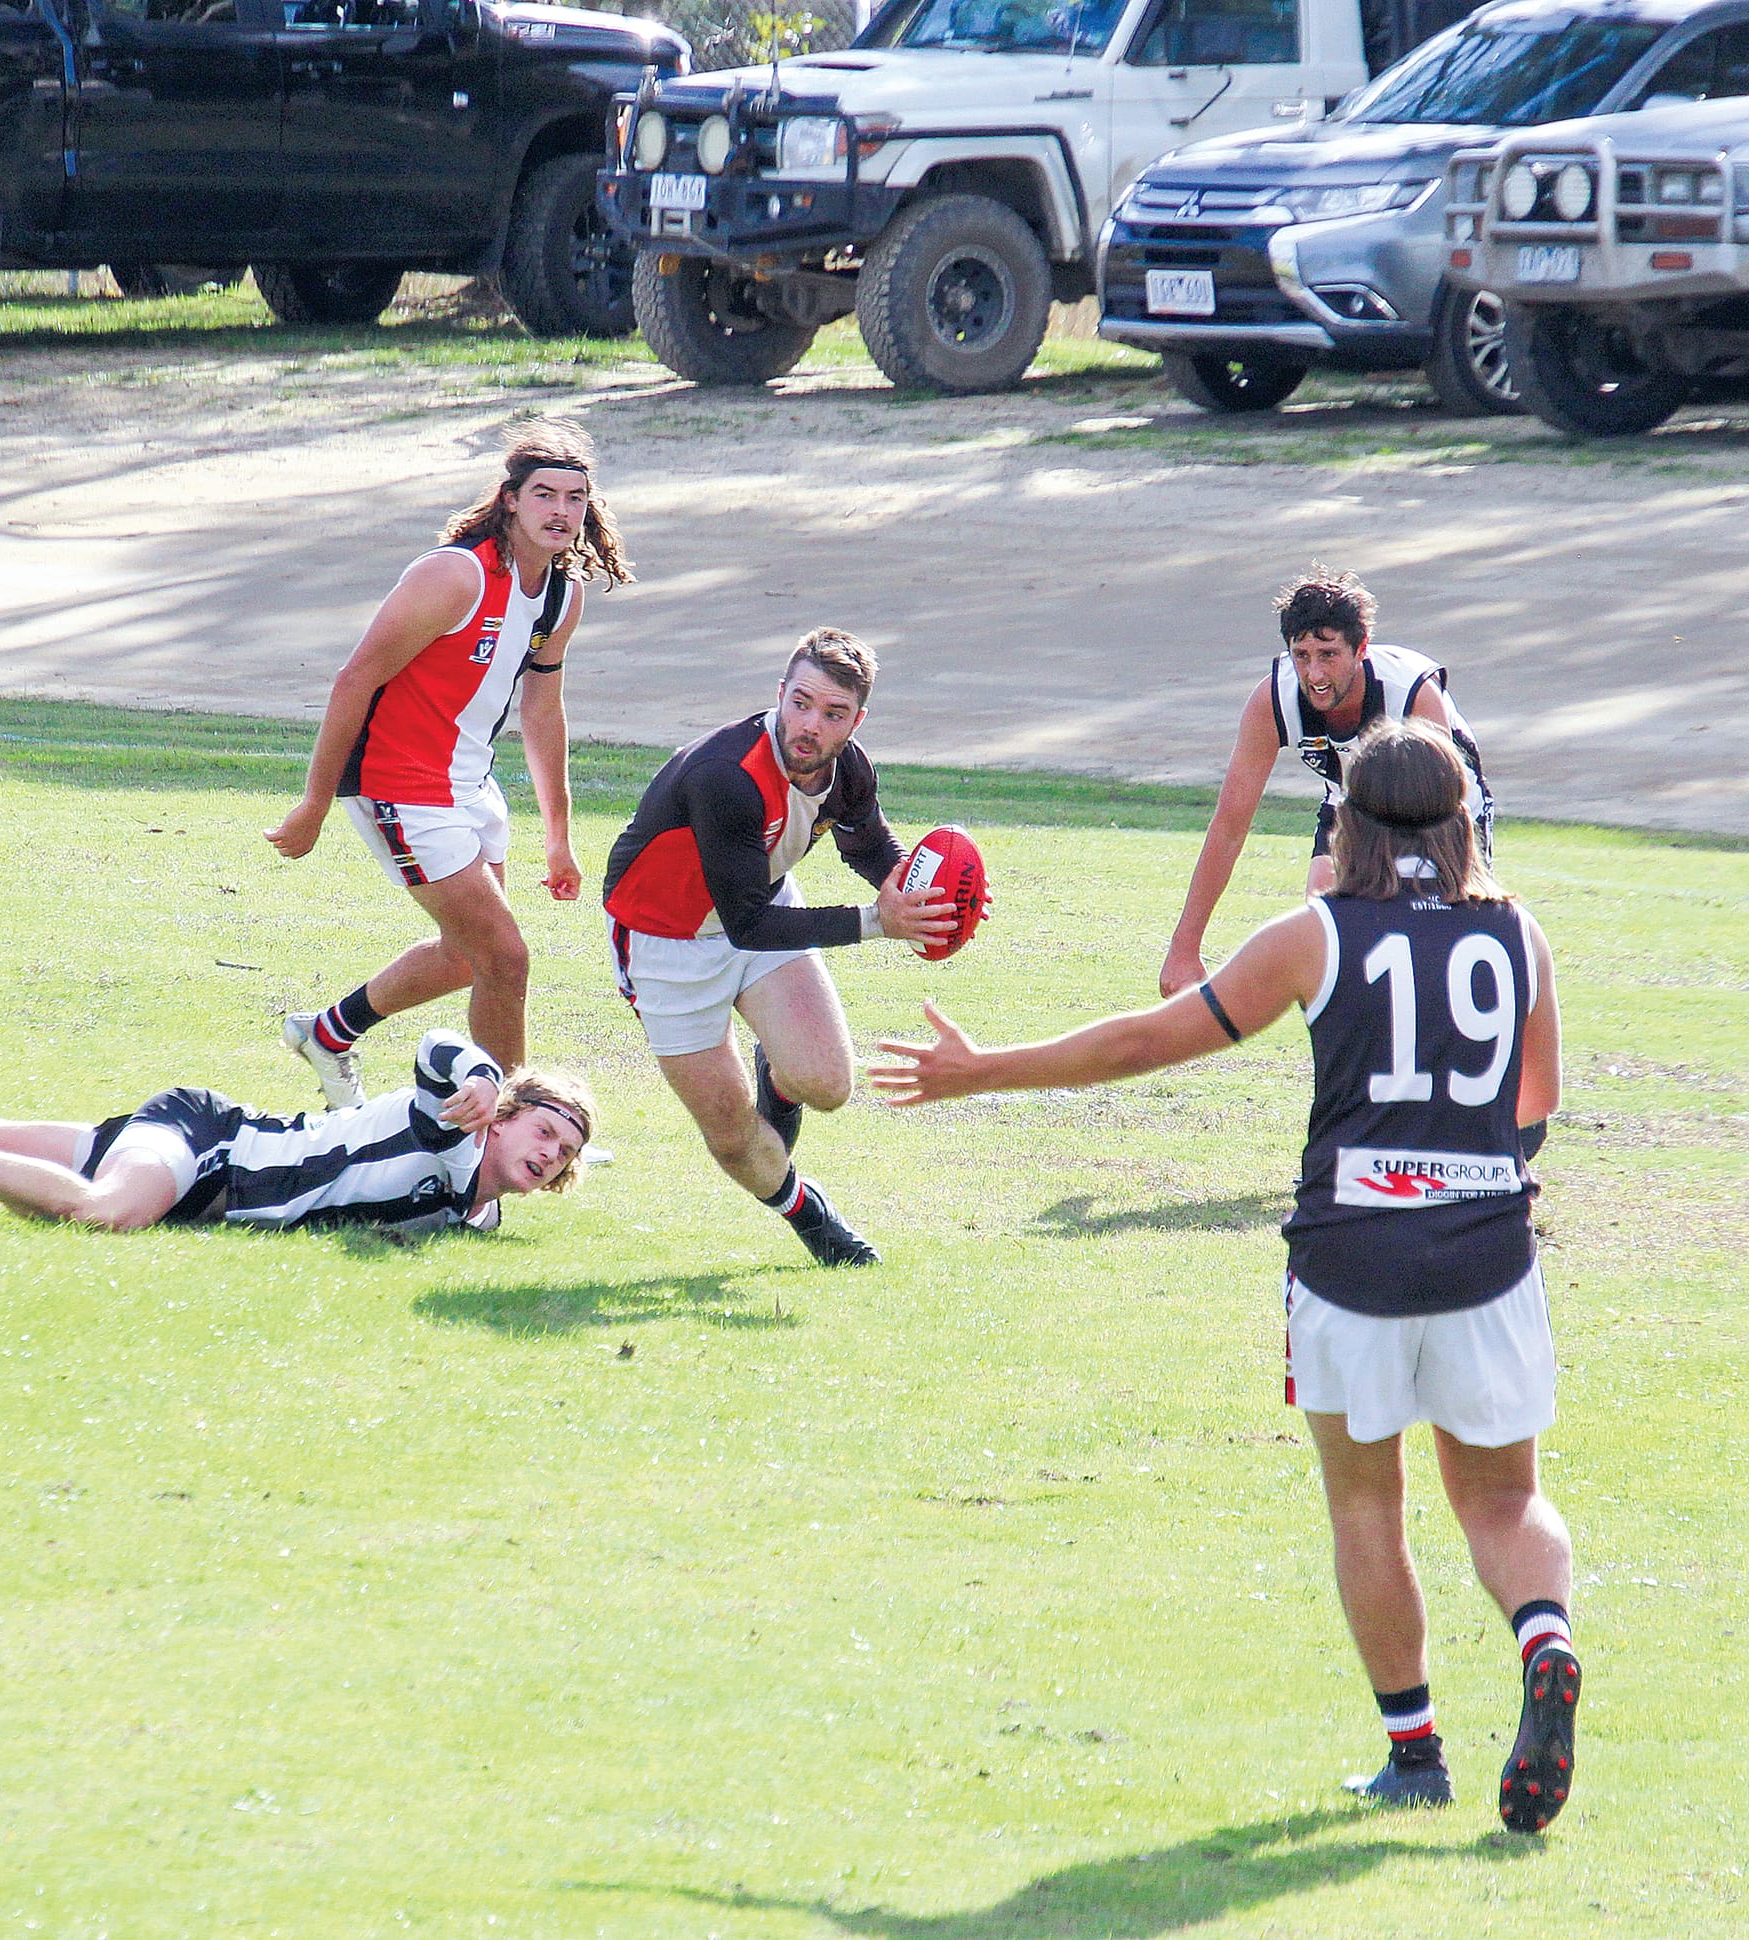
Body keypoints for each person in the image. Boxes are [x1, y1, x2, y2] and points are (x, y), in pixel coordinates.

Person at [873, 719, 1578, 1831]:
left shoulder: (1313, 935)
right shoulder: (1518, 934)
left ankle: (1414, 1753)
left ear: (1347, 823)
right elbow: (1536, 1101)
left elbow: (1142, 1044)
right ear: (1461, 822)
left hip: (1349, 1254)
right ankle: (1542, 1639)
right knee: (1501, 1498)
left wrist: (983, 1070)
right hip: (1488, 1252)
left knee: (1366, 1500)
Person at [266, 417, 633, 1104]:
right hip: (398, 784)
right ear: (511, 501)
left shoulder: (562, 593)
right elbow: (355, 679)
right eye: (545, 494)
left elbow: (542, 712)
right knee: (505, 957)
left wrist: (559, 838)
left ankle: (327, 1034)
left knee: (468, 957)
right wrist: (314, 803)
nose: (561, 510)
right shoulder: (455, 574)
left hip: (470, 784)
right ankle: (510, 1121)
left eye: (576, 497)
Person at [601, 627, 955, 1267]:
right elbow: (748, 925)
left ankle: (778, 1073)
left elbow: (868, 843)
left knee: (828, 1085)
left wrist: (922, 891)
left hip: (759, 903)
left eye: (834, 713)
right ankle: (811, 1217)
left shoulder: (848, 767)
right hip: (667, 941)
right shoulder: (725, 776)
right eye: (801, 703)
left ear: (857, 721)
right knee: (736, 1141)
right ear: (780, 693)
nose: (811, 726)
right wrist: (878, 922)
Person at [0, 1013, 591, 1238]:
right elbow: (439, 1044)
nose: (550, 1153)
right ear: (505, 1120)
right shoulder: (453, 1124)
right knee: (105, 1213)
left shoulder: (479, 1217)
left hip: (204, 1182)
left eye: (565, 1153)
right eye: (545, 1131)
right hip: (210, 1143)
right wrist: (482, 1076)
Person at [1159, 568, 1494, 1000]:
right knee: (1326, 933)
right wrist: (1184, 947)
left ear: (1361, 648)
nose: (1314, 673)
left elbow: (1444, 809)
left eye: (1328, 654)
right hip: (1350, 799)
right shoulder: (1273, 700)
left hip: (1441, 808)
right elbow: (1229, 825)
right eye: (1301, 655)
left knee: (1435, 945)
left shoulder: (1408, 692)